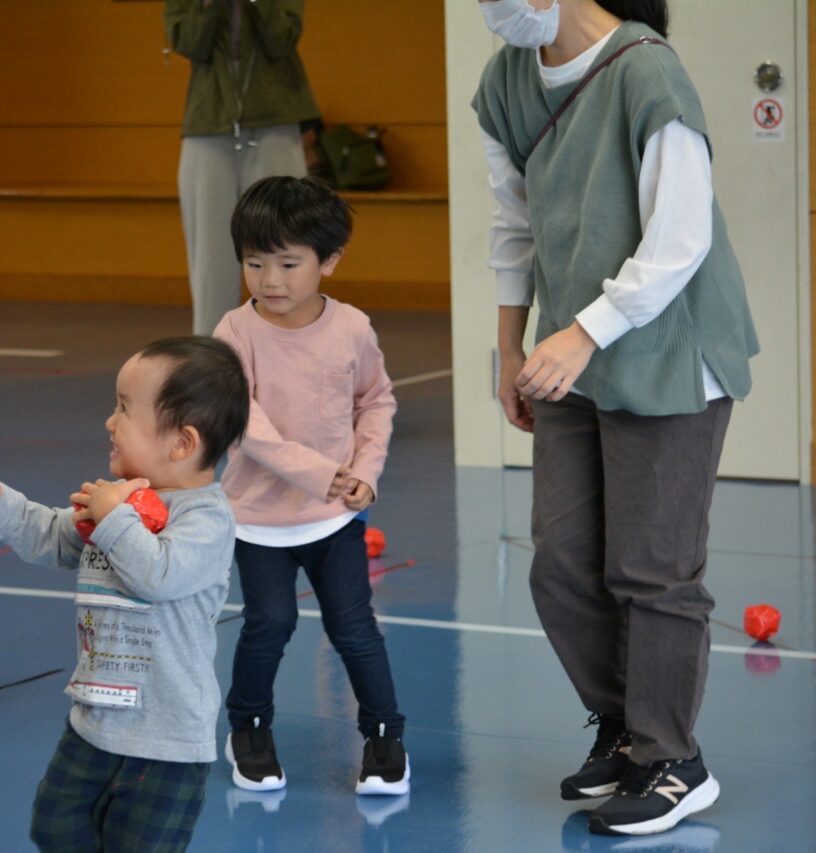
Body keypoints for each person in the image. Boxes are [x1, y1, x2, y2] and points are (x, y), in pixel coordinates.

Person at [472, 0, 757, 836]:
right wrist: (510, 346)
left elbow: (679, 239)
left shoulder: (647, 72)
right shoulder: (506, 81)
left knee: (653, 567)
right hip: (570, 352)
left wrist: (582, 333)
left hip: (666, 350)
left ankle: (674, 760)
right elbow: (514, 221)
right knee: (561, 563)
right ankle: (627, 726)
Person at [0, 336, 249, 852]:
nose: (110, 422)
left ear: (182, 443)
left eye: (124, 409)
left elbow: (159, 574)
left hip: (166, 741)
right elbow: (50, 534)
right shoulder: (117, 504)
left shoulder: (207, 520)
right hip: (94, 723)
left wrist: (113, 517)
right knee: (54, 827)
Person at [211, 175, 406, 797]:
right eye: (254, 263)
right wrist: (322, 475)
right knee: (268, 624)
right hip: (257, 521)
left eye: (288, 264)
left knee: (355, 629)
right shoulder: (234, 332)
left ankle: (384, 737)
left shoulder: (352, 327)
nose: (270, 279)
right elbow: (245, 425)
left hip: (334, 519)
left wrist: (365, 473)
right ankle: (248, 727)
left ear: (330, 261)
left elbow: (376, 401)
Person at [165, 0, 320, 335]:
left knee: (285, 241)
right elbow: (188, 43)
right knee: (210, 254)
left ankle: (292, 344)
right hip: (208, 123)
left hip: (275, 118)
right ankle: (212, 350)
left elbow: (282, 38)